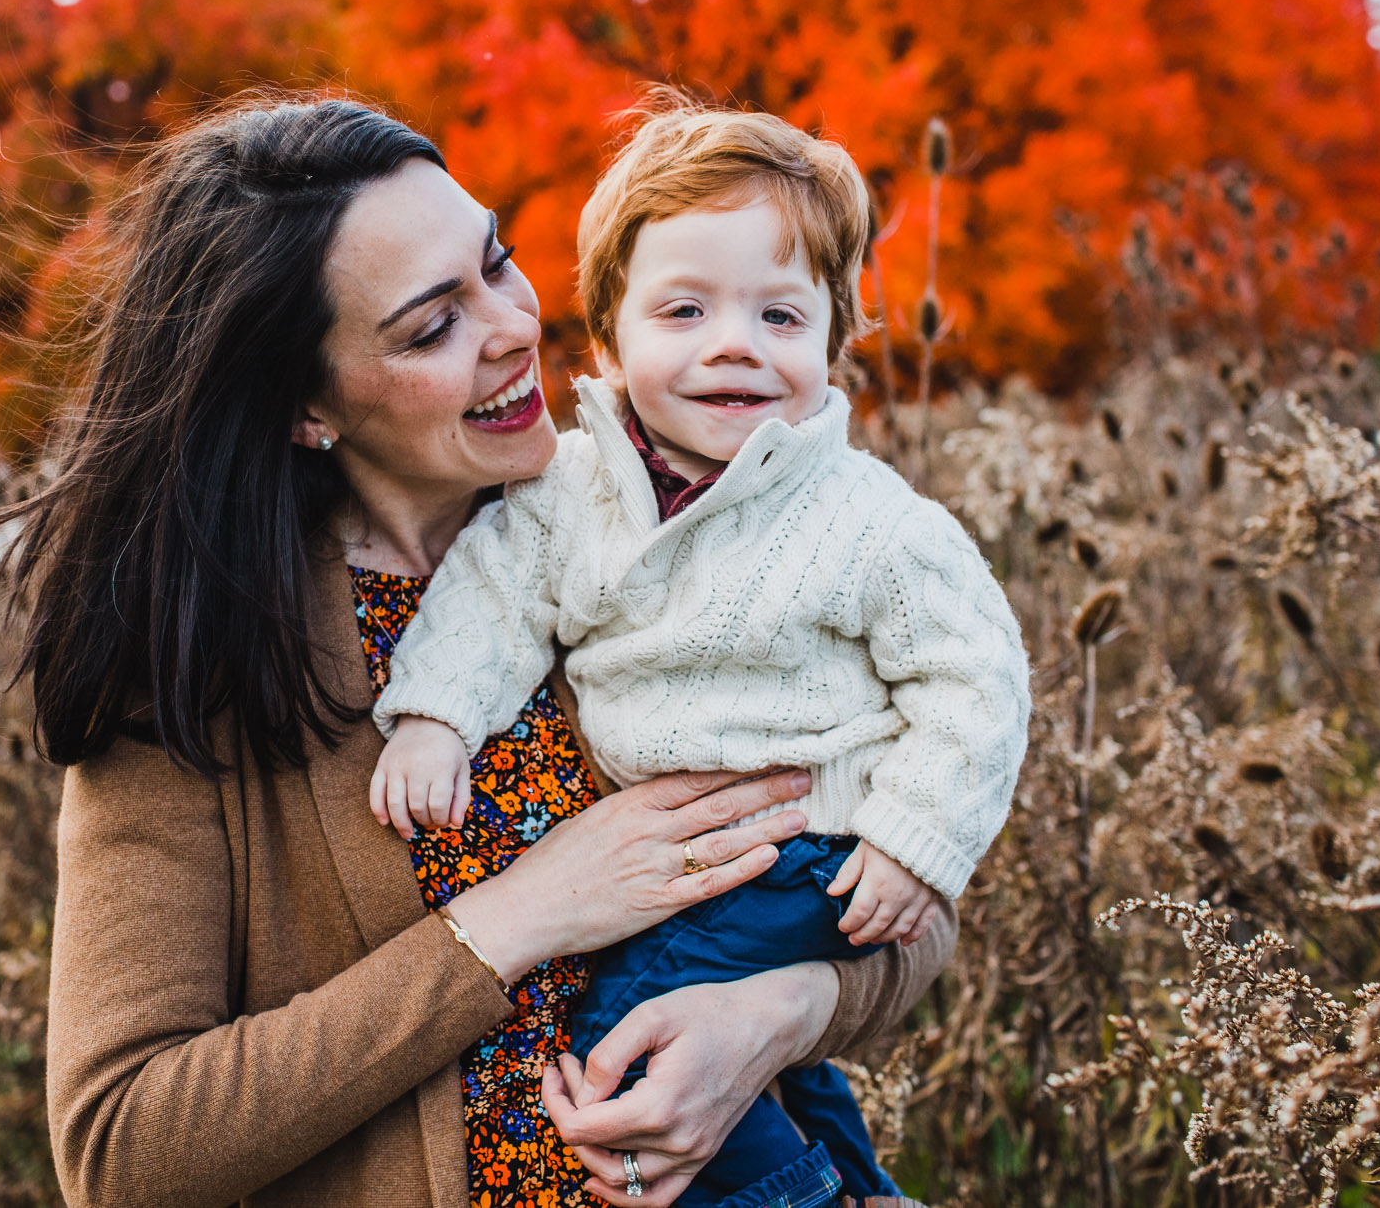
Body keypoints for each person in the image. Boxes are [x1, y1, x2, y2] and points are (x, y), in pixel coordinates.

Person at [0, 93, 960, 1208]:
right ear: (308, 403)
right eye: (431, 324)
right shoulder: (202, 671)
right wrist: (511, 921)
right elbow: (120, 1145)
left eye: (497, 262)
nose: (511, 326)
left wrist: (776, 1016)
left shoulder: (643, 527)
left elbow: (881, 895)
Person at [370, 99, 1031, 1205]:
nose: (734, 343)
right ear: (611, 330)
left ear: (830, 336)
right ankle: (860, 1185)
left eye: (780, 316)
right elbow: (490, 599)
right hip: (689, 868)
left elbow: (976, 678)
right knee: (779, 1067)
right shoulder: (566, 492)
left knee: (631, 1033)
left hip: (810, 846)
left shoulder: (868, 519)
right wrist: (434, 713)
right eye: (684, 310)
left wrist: (917, 836)